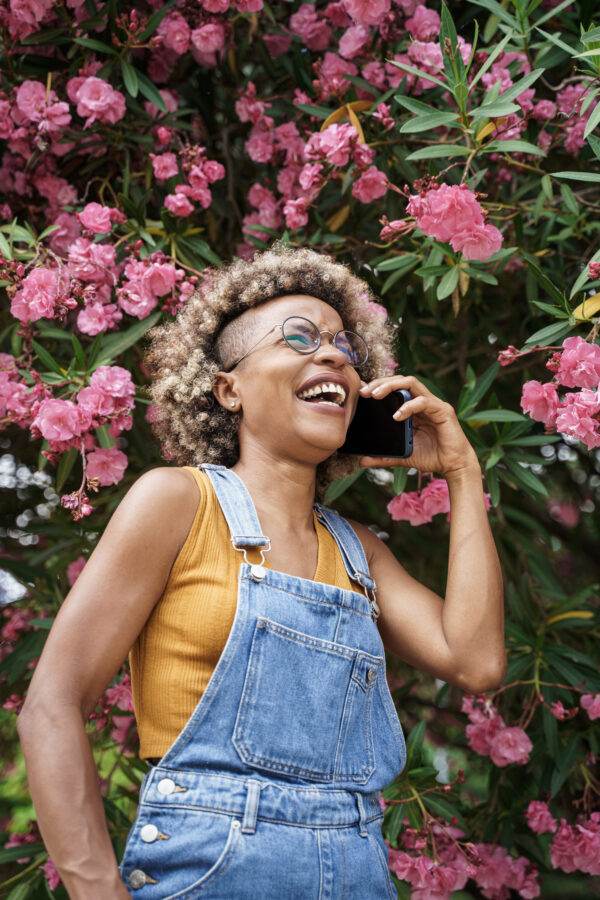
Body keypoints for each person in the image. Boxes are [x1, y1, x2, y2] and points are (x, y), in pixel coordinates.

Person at [17, 242, 506, 899]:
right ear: (229, 387)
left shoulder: (361, 553)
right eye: (298, 338)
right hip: (208, 873)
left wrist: (462, 472)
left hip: (357, 874)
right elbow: (51, 705)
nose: (333, 355)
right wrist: (95, 889)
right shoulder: (178, 504)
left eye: (344, 347)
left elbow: (475, 662)